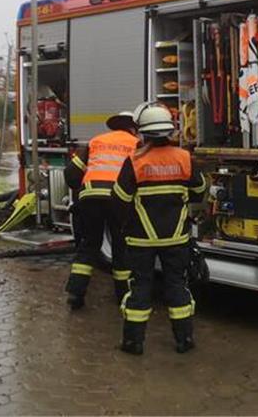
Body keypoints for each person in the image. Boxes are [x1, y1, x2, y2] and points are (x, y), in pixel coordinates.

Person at [114, 102, 207, 355]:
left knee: (141, 287)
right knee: (177, 285)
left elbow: (120, 198)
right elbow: (200, 191)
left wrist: (126, 225)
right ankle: (184, 340)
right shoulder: (185, 158)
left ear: (143, 133)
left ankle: (133, 343)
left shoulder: (134, 162)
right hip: (176, 238)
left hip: (141, 240)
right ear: (170, 131)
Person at [63, 111, 140, 309]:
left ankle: (75, 293)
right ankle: (123, 295)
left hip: (89, 198)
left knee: (89, 244)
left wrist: (79, 189)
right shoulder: (135, 144)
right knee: (120, 246)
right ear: (133, 128)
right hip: (117, 199)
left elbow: (71, 174)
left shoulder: (96, 141)